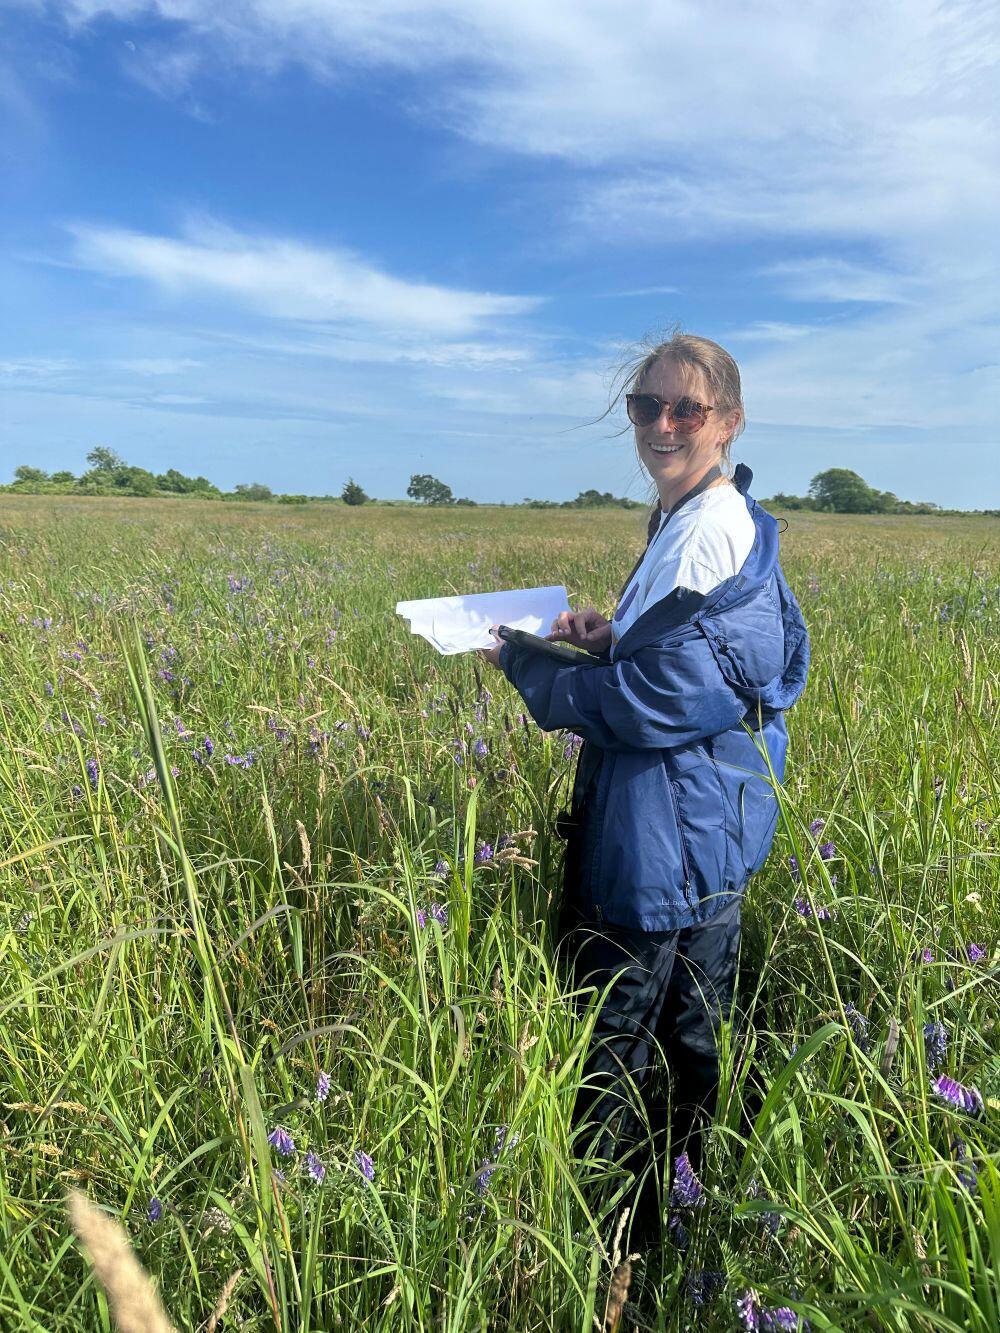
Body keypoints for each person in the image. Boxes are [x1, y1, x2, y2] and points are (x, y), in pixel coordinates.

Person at [477, 330, 810, 1251]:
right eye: (644, 406)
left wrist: (527, 666)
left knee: (618, 1050)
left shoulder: (711, 532)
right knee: (693, 1038)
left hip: (665, 838)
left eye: (685, 409)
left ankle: (615, 1243)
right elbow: (674, 659)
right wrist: (604, 633)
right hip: (696, 824)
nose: (661, 425)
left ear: (728, 422)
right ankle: (687, 1218)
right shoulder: (690, 513)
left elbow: (662, 695)